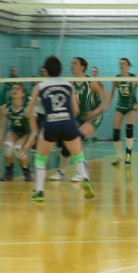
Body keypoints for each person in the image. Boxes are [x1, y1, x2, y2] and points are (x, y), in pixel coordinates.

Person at [28, 55, 94, 202]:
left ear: (45, 70)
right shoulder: (69, 84)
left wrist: (34, 116)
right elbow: (76, 110)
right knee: (78, 155)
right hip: (68, 123)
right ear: (60, 70)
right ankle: (85, 178)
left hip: (51, 123)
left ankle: (39, 191)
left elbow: (29, 111)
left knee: (40, 158)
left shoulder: (40, 86)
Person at [49, 57, 108, 181]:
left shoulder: (90, 82)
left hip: (94, 116)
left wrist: (96, 111)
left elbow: (106, 97)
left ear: (83, 67)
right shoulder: (71, 84)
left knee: (77, 138)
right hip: (81, 116)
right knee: (68, 138)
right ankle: (61, 172)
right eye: (72, 63)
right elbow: (75, 107)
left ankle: (81, 172)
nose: (72, 65)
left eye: (75, 63)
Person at [107, 58, 138, 166]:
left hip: (132, 106)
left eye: (123, 64)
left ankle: (128, 154)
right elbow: (112, 92)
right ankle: (119, 156)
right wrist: (109, 105)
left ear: (128, 66)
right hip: (120, 105)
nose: (121, 65)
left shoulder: (134, 77)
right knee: (115, 132)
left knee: (129, 128)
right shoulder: (117, 78)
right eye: (120, 64)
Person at [0, 83, 35, 181]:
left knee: (18, 149)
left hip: (28, 133)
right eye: (13, 88)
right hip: (15, 131)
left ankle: (26, 170)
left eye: (18, 88)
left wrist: (27, 145)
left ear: (23, 93)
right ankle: (9, 171)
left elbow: (34, 130)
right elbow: (2, 126)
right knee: (8, 146)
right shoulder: (7, 107)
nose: (15, 90)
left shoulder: (27, 108)